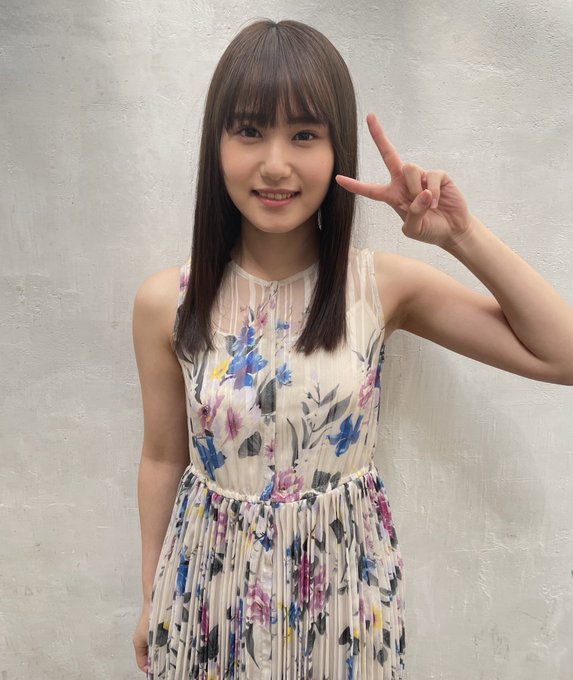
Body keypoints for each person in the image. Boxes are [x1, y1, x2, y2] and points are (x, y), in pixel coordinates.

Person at [131, 18, 573, 680]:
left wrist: (460, 236)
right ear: (215, 145)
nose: (275, 163)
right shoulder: (166, 301)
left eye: (303, 135)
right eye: (249, 131)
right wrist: (151, 595)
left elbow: (562, 356)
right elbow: (164, 457)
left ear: (337, 147)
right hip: (208, 597)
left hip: (342, 599)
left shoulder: (380, 287)